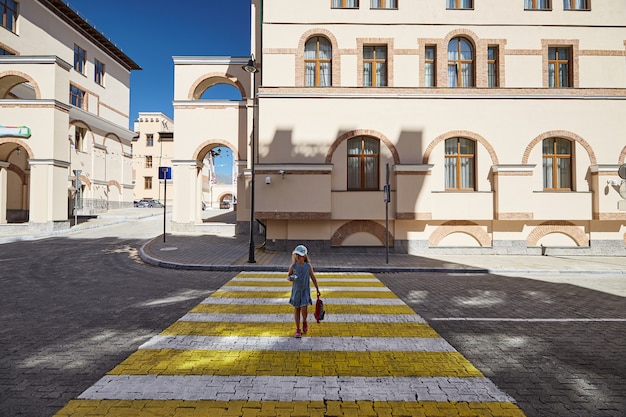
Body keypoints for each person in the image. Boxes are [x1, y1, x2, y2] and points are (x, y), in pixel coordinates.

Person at [287, 244, 320, 338]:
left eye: (299, 255)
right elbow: (288, 276)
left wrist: (317, 289)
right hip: (296, 291)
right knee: (296, 309)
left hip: (305, 291)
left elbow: (313, 277)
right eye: (296, 255)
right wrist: (291, 278)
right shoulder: (293, 266)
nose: (297, 257)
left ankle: (304, 321)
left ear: (304, 256)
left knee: (304, 309)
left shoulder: (308, 266)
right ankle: (298, 329)